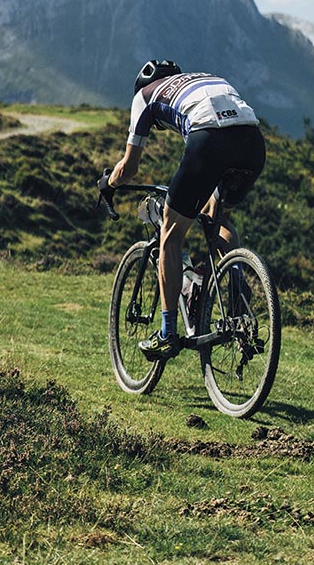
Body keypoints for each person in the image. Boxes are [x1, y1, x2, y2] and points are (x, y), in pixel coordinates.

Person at [102, 60, 265, 361]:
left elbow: (129, 167)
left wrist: (108, 184)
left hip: (209, 140)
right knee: (217, 219)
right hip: (253, 141)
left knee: (171, 233)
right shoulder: (206, 77)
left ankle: (167, 334)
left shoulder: (145, 96)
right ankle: (238, 299)